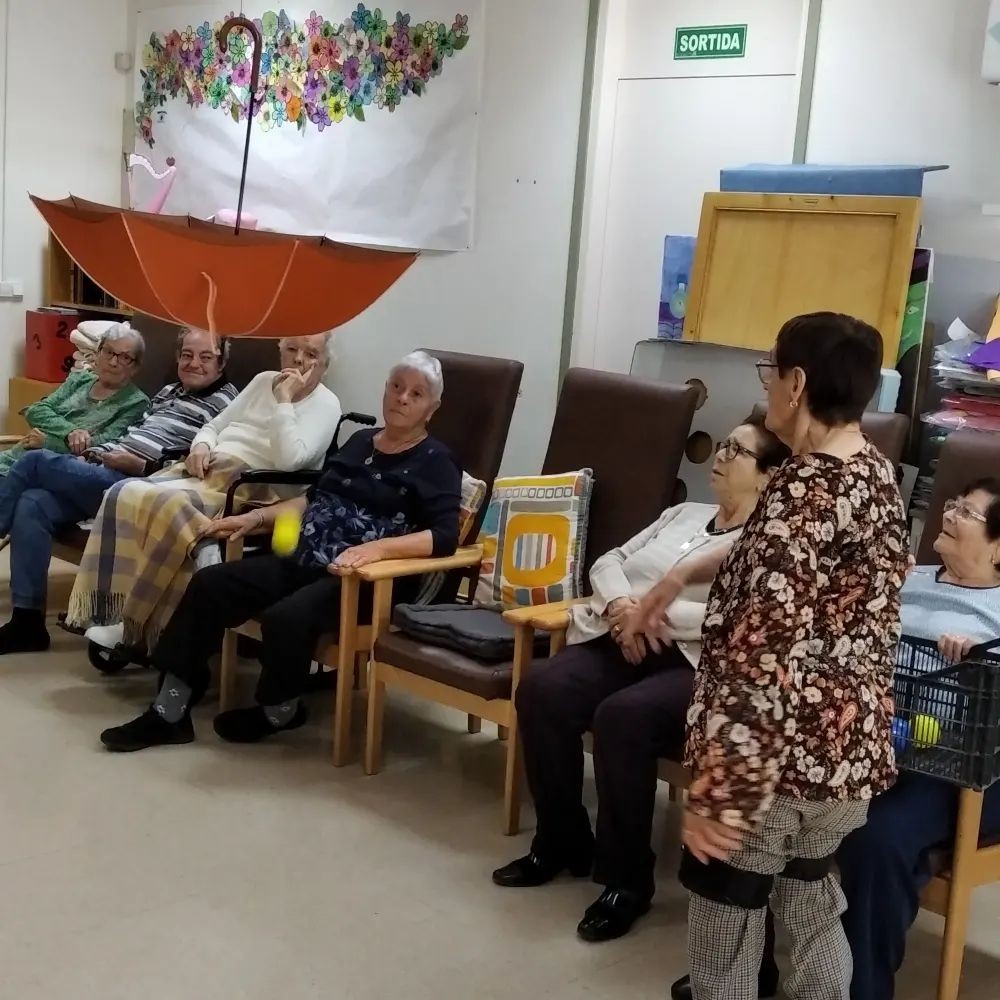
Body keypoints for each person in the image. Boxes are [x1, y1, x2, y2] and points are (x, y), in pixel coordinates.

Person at [626, 312, 910, 1000]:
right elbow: (782, 559)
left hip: (778, 766)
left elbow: (761, 660)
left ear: (797, 382)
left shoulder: (802, 493)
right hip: (844, 759)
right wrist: (680, 573)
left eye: (769, 371)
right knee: (812, 905)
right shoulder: (871, 473)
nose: (766, 386)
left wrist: (723, 796)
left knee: (725, 933)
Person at [673, 480, 1000, 1000]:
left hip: (951, 766)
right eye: (954, 504)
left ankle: (863, 991)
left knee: (875, 840)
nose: (950, 513)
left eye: (968, 512)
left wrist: (979, 659)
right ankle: (749, 970)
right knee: (776, 802)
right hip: (867, 740)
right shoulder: (905, 576)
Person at [492, 415, 791, 945]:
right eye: (722, 445)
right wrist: (621, 607)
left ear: (768, 476)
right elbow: (610, 560)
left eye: (737, 451)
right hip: (619, 633)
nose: (720, 456)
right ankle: (562, 841)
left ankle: (626, 879)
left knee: (622, 718)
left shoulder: (766, 540)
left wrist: (651, 616)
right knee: (542, 690)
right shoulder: (683, 513)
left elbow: (737, 617)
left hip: (695, 662)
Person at [99, 350, 462, 752]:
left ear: (432, 408)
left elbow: (445, 536)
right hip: (305, 556)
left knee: (287, 618)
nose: (402, 398)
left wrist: (376, 550)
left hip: (359, 580)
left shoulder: (436, 461)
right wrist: (254, 519)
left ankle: (280, 709)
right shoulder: (361, 441)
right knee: (209, 584)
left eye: (416, 394)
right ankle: (169, 711)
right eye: (397, 387)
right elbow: (313, 500)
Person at [66, 333, 343, 655]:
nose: (298, 359)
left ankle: (134, 622)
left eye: (311, 354)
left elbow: (289, 461)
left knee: (168, 504)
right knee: (123, 491)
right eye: (291, 349)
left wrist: (284, 401)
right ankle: (116, 604)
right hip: (210, 469)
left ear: (324, 364)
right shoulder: (262, 381)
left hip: (256, 486)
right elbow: (214, 425)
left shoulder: (326, 404)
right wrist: (201, 446)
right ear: (280, 351)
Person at [0, 327, 236, 654]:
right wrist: (96, 453)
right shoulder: (169, 391)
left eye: (205, 357)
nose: (194, 363)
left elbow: (203, 460)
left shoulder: (227, 404)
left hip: (135, 483)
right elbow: (132, 433)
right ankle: (27, 623)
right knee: (32, 503)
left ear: (221, 364)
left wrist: (141, 466)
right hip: (100, 467)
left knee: (34, 462)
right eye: (187, 355)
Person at [0, 323, 149, 477]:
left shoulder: (136, 403)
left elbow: (104, 445)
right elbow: (36, 410)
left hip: (49, 469)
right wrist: (70, 431)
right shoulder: (79, 380)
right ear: (98, 354)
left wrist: (48, 442)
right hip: (12, 458)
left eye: (125, 357)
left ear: (135, 367)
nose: (113, 362)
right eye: (108, 352)